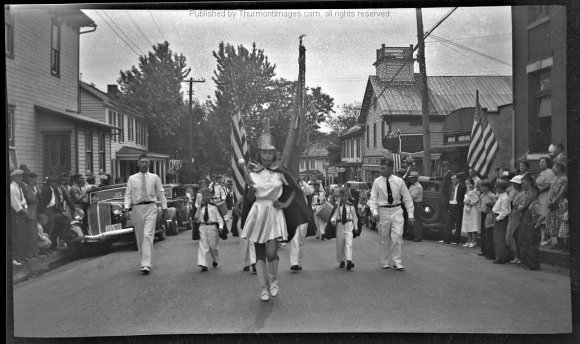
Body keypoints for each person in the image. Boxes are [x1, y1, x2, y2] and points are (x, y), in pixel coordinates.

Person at [240, 124, 310, 301]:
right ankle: (263, 288)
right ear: (259, 154)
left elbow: (294, 189)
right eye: (263, 152)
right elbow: (249, 199)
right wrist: (249, 187)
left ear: (274, 155)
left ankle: (273, 282)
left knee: (272, 253)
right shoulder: (252, 174)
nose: (266, 156)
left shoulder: (280, 173)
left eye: (270, 153)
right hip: (257, 213)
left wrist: (285, 204)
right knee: (260, 254)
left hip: (273, 213)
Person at [124, 154, 168, 275]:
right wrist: (126, 208)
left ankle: (146, 264)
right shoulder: (132, 178)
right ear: (138, 164)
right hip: (137, 208)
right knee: (140, 236)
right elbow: (128, 194)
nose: (144, 164)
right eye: (142, 162)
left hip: (151, 207)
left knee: (148, 234)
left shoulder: (155, 177)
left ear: (149, 164)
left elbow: (161, 193)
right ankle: (144, 260)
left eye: (146, 162)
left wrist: (164, 208)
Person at [368, 157, 414, 271]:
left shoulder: (399, 181)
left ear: (390, 169)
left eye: (383, 168)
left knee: (397, 237)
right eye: (380, 167)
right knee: (384, 238)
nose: (380, 170)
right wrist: (374, 212)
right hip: (382, 211)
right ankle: (385, 261)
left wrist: (411, 215)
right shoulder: (377, 182)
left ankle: (397, 262)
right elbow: (373, 199)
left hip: (396, 211)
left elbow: (407, 198)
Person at [193, 187, 225, 272]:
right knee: (203, 245)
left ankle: (215, 259)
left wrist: (221, 227)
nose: (206, 197)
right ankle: (203, 263)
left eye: (208, 195)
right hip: (203, 227)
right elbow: (196, 219)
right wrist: (200, 206)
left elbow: (220, 219)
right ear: (202, 196)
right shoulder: (200, 207)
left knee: (213, 247)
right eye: (204, 195)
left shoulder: (214, 207)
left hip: (213, 228)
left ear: (211, 196)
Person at [38, 175, 70, 251]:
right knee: (49, 228)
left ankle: (62, 239)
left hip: (53, 210)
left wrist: (61, 210)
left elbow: (58, 202)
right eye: (55, 183)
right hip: (47, 211)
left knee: (64, 220)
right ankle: (47, 247)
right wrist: (43, 213)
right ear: (50, 183)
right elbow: (42, 202)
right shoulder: (46, 190)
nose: (56, 184)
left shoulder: (54, 190)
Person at [331, 186, 359, 270]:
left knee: (349, 243)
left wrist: (356, 226)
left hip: (349, 225)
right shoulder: (337, 206)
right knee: (340, 243)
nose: (344, 197)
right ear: (339, 196)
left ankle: (349, 261)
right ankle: (342, 260)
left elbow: (355, 217)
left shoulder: (351, 206)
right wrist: (333, 221)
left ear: (348, 196)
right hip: (340, 225)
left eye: (346, 196)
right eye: (342, 196)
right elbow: (334, 215)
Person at [517, 174, 541, 270]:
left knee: (529, 240)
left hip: (530, 216)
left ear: (529, 183)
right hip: (526, 216)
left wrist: (520, 206)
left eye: (524, 184)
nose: (522, 186)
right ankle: (528, 262)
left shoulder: (531, 192)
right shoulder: (529, 192)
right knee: (526, 239)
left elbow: (522, 206)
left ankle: (531, 263)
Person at [290, 179, 313, 272]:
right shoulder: (289, 192)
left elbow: (309, 191)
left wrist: (302, 181)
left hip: (303, 219)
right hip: (293, 219)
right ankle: (294, 263)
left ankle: (298, 263)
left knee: (301, 242)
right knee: (294, 241)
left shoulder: (303, 191)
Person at [545, 161, 567, 250]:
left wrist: (554, 200)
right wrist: (549, 200)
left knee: (559, 222)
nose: (553, 169)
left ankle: (562, 244)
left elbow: (562, 191)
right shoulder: (554, 178)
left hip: (560, 203)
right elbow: (550, 191)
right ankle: (557, 242)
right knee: (553, 223)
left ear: (558, 168)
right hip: (553, 204)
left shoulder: (564, 179)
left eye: (554, 167)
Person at [439, 173, 466, 245]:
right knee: (448, 223)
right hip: (451, 205)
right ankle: (446, 239)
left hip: (457, 206)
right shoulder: (451, 186)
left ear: (458, 179)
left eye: (454, 179)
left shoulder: (462, 187)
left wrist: (461, 204)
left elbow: (464, 196)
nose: (452, 181)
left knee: (458, 224)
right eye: (452, 179)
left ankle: (456, 240)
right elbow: (449, 195)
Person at [535, 157, 555, 245]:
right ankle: (543, 238)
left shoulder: (549, 172)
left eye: (543, 162)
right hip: (540, 196)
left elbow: (549, 185)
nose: (541, 163)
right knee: (540, 216)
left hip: (546, 195)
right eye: (540, 162)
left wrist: (539, 190)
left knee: (545, 215)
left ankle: (549, 238)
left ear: (547, 163)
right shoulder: (540, 173)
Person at [10, 169, 28, 266]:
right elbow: (14, 202)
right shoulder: (12, 188)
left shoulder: (19, 187)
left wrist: (25, 207)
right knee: (17, 236)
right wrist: (22, 209)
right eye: (19, 176)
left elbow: (23, 199)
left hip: (21, 213)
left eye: (21, 176)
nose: (21, 178)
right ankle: (13, 258)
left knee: (22, 235)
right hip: (16, 214)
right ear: (14, 177)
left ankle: (19, 256)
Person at [21, 170, 40, 260]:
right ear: (25, 178)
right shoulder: (23, 187)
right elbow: (30, 200)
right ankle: (28, 253)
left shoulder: (28, 187)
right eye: (28, 177)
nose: (30, 179)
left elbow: (35, 198)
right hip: (29, 213)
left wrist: (35, 200)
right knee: (29, 234)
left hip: (33, 212)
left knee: (33, 233)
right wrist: (35, 200)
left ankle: (33, 252)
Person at [506, 175, 525, 264]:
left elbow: (521, 205)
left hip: (518, 214)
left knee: (515, 234)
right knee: (511, 234)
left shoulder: (523, 193)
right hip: (513, 213)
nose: (513, 185)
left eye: (514, 183)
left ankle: (518, 256)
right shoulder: (516, 192)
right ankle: (515, 256)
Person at [492, 180, 511, 264]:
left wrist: (498, 218)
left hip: (501, 219)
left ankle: (501, 257)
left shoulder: (504, 198)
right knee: (497, 238)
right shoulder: (501, 196)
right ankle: (499, 256)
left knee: (500, 239)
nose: (496, 189)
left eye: (497, 187)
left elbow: (505, 211)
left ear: (501, 188)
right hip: (498, 217)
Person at [477, 180, 497, 260]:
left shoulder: (492, 196)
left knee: (488, 233)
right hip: (483, 213)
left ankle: (489, 251)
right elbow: (480, 202)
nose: (481, 188)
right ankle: (483, 250)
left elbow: (494, 205)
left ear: (487, 187)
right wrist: (479, 208)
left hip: (489, 214)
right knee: (483, 232)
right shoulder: (482, 195)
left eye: (482, 186)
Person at [461, 178, 481, 248]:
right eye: (466, 183)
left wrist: (469, 203)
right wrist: (466, 202)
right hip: (467, 209)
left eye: (468, 183)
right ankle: (469, 240)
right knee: (468, 224)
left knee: (473, 224)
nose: (467, 185)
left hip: (472, 209)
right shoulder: (467, 192)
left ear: (472, 184)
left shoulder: (475, 192)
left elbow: (476, 200)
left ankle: (473, 241)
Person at [406, 171, 423, 242]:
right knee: (410, 221)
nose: (411, 179)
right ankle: (411, 236)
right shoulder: (412, 186)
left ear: (416, 178)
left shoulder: (418, 187)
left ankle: (418, 237)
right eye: (410, 178)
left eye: (413, 178)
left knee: (416, 222)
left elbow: (412, 196)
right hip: (412, 205)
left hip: (416, 205)